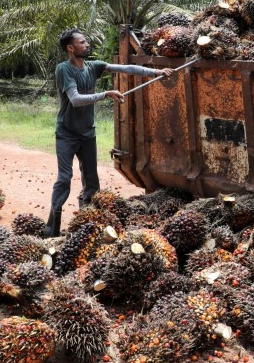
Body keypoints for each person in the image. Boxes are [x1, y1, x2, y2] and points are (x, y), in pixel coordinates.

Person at [45, 28, 174, 238]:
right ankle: (51, 231)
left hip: (87, 133)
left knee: (91, 179)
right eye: (82, 42)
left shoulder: (92, 67)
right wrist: (106, 94)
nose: (86, 45)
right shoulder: (64, 69)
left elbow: (126, 68)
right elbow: (75, 100)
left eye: (86, 41)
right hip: (67, 134)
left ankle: (88, 225)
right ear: (70, 48)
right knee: (64, 178)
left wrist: (156, 72)